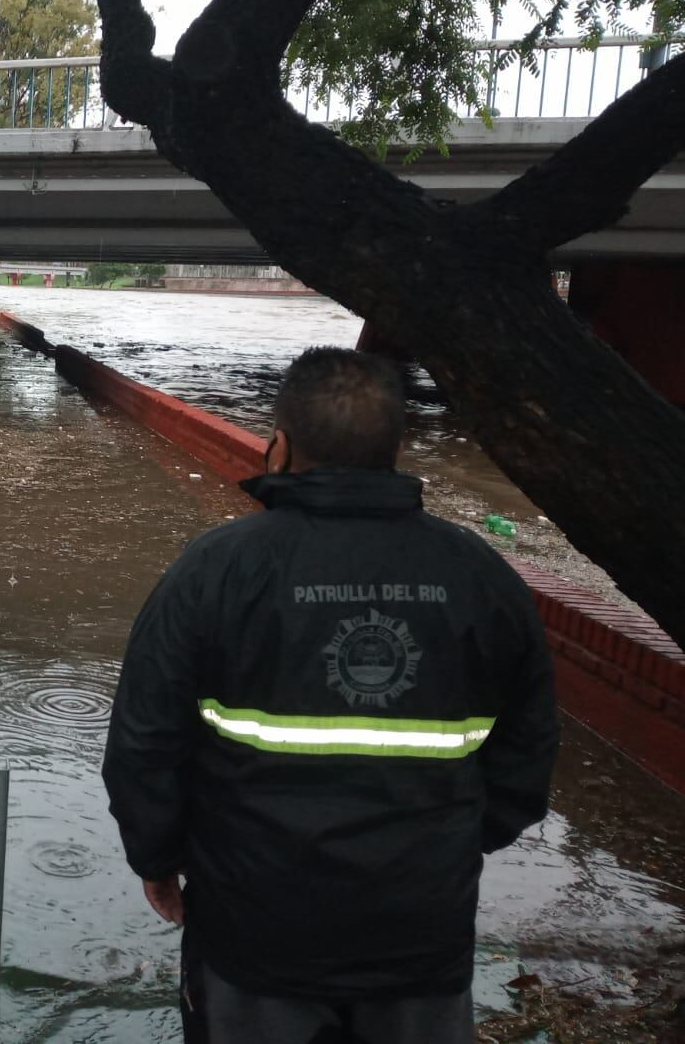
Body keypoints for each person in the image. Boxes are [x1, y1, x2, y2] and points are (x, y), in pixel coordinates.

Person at [102, 346, 558, 1044]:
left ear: (279, 445)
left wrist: (157, 860)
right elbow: (527, 756)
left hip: (255, 936)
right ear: (398, 447)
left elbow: (144, 743)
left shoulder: (218, 570)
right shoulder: (479, 575)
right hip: (421, 939)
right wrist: (453, 843)